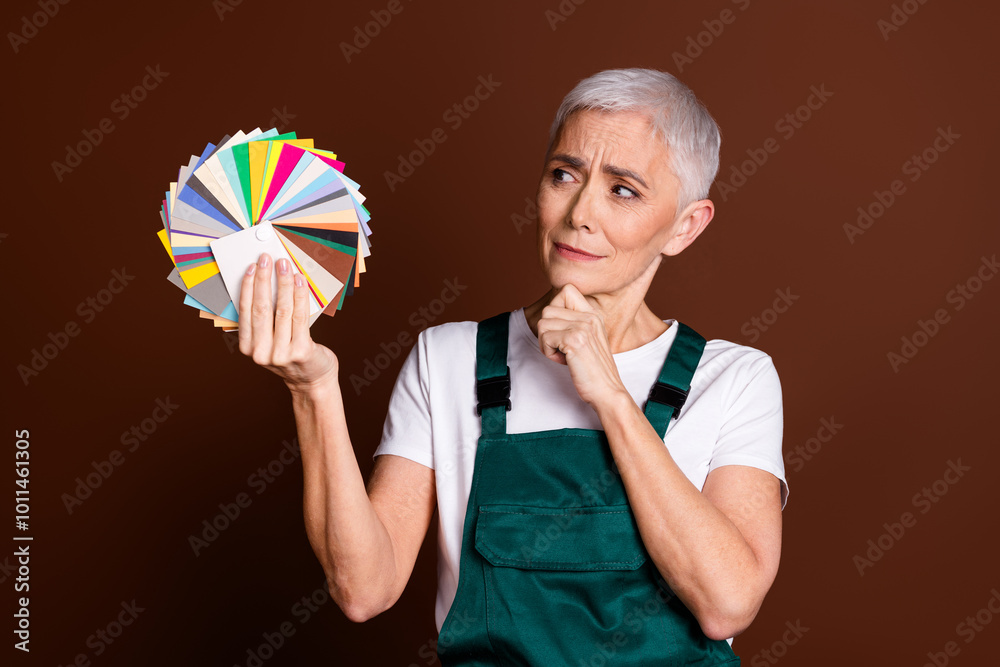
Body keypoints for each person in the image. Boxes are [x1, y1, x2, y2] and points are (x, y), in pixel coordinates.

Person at [238, 67, 787, 665]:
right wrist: (313, 389)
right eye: (563, 175)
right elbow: (364, 589)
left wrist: (610, 394)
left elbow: (727, 603)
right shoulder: (446, 359)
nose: (580, 212)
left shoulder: (734, 380)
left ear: (685, 226)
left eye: (623, 190)